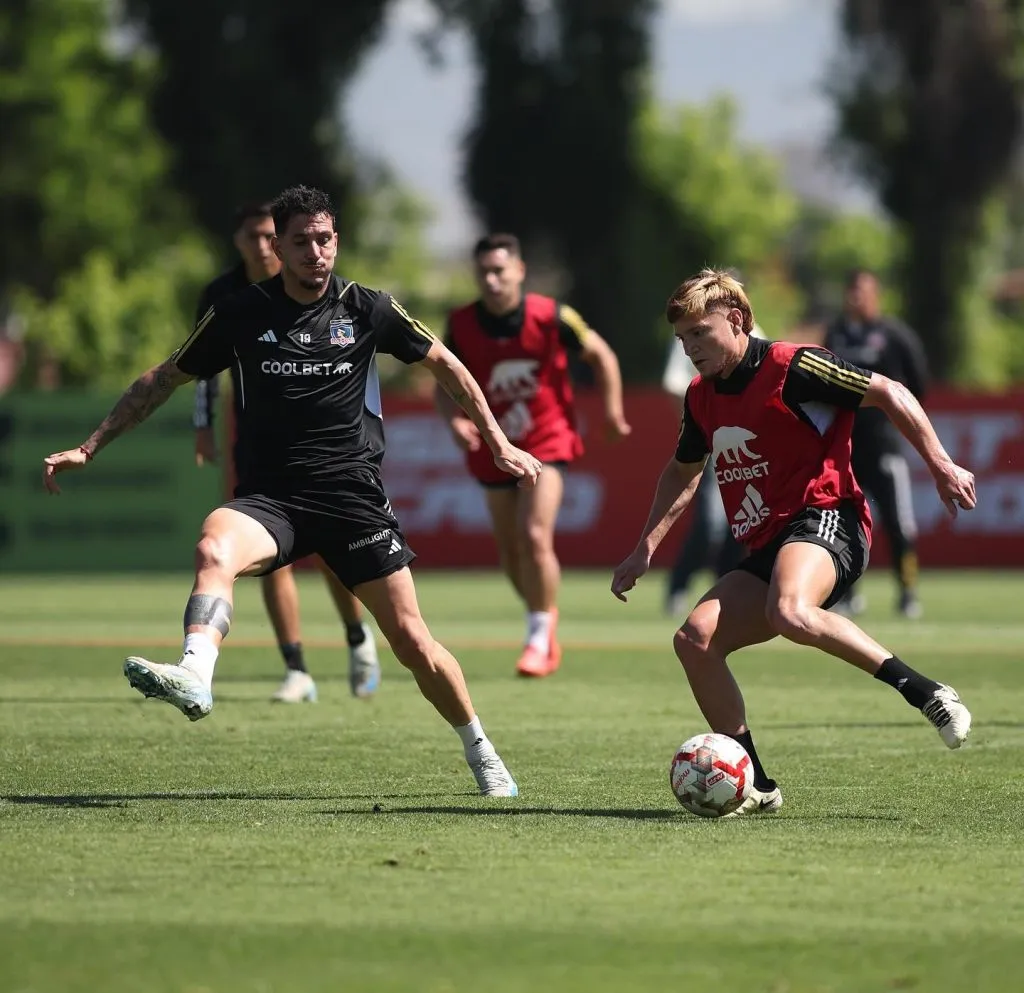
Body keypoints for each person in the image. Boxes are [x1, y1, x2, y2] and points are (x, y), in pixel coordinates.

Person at [42, 185, 540, 797]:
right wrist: (90, 446)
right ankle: (197, 673)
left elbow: (446, 365)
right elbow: (162, 379)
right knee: (212, 549)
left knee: (413, 643)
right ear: (276, 246)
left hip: (352, 497)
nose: (315, 251)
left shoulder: (368, 307)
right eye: (300, 241)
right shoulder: (240, 313)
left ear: (338, 240)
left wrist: (497, 440)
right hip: (270, 499)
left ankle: (481, 751)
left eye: (324, 238)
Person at [611, 269, 975, 816]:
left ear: (735, 320)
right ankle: (756, 783)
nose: (689, 349)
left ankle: (927, 693)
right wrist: (646, 546)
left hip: (830, 519)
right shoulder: (702, 397)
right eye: (682, 339)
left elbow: (891, 391)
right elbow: (684, 470)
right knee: (694, 639)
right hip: (767, 543)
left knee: (789, 609)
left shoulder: (796, 365)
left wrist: (941, 465)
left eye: (699, 334)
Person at [193, 201, 380, 704]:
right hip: (260, 443)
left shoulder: (327, 289)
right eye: (251, 237)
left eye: (265, 236)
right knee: (266, 558)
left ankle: (358, 639)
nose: (260, 246)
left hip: (332, 454)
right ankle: (296, 668)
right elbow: (197, 363)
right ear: (245, 242)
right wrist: (202, 426)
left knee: (333, 558)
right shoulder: (224, 296)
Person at [436, 233, 631, 678]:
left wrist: (613, 413)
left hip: (547, 438)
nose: (492, 279)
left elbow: (602, 355)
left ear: (519, 271)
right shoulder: (461, 325)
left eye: (500, 270)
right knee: (510, 550)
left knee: (533, 534)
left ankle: (539, 635)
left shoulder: (553, 316)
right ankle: (541, 620)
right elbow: (443, 383)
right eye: (484, 271)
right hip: (493, 443)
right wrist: (454, 421)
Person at [824, 269, 929, 619]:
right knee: (845, 523)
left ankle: (908, 591)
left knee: (899, 523)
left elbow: (917, 385)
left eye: (862, 291)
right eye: (850, 291)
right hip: (846, 449)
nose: (855, 298)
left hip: (885, 447)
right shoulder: (835, 333)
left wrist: (900, 424)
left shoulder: (894, 335)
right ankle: (850, 593)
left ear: (875, 295)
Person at [660, 322, 754, 617]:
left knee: (744, 523)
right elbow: (673, 382)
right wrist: (699, 418)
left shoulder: (756, 335)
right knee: (711, 523)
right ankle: (679, 586)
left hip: (747, 445)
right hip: (713, 442)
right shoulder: (692, 334)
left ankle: (727, 589)